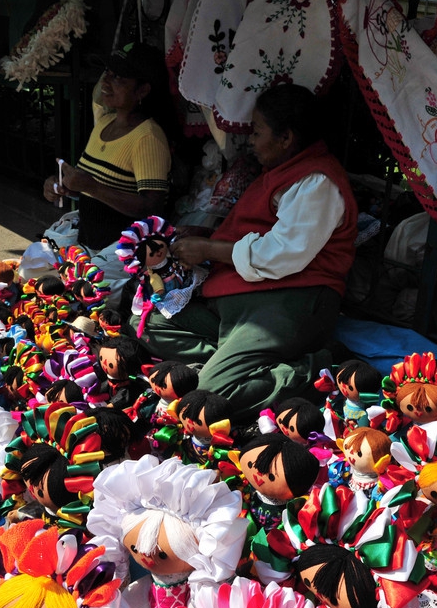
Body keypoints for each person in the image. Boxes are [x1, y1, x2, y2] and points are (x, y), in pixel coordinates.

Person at [134, 83, 358, 415]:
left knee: (211, 394)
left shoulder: (318, 183)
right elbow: (253, 231)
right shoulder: (280, 172)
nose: (250, 140)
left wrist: (209, 247)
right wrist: (202, 237)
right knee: (150, 322)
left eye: (257, 131)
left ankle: (320, 366)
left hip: (290, 302)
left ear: (286, 138)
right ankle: (234, 359)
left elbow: (281, 254)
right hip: (240, 298)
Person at [41, 41, 178, 303]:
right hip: (88, 234)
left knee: (82, 290)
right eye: (108, 74)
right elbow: (91, 185)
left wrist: (91, 187)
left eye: (119, 78)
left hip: (124, 244)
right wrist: (61, 185)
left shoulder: (148, 137)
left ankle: (135, 289)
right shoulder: (104, 122)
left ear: (143, 90)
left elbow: (152, 208)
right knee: (34, 268)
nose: (106, 82)